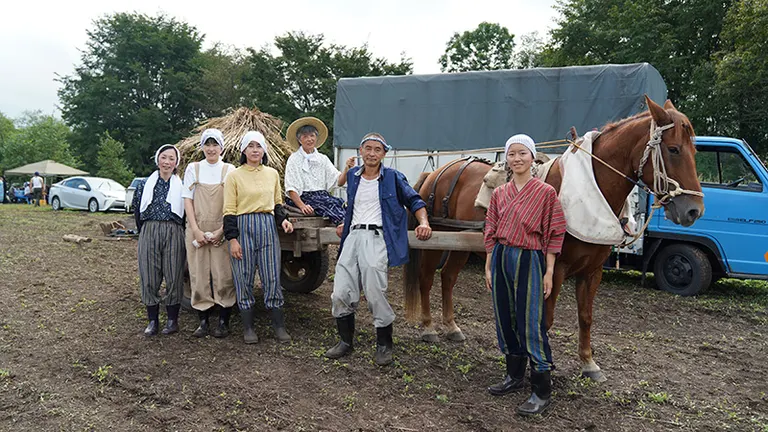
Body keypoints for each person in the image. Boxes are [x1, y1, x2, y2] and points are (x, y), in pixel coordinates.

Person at [324, 133, 432, 366]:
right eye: (368, 149)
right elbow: (354, 205)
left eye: (377, 150)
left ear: (384, 154)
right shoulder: (353, 176)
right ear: (361, 151)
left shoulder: (393, 177)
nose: (372, 153)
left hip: (376, 237)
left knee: (375, 290)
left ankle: (384, 344)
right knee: (340, 291)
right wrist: (348, 221)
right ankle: (345, 341)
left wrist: (423, 222)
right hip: (352, 237)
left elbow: (415, 201)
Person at [483, 134, 566, 416]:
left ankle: (541, 389)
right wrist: (488, 264)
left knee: (530, 320)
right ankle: (514, 376)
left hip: (530, 258)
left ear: (533, 157)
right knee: (504, 316)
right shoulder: (499, 193)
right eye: (511, 154)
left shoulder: (545, 193)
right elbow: (490, 230)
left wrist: (550, 271)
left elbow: (555, 232)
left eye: (522, 153)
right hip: (502, 255)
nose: (517, 159)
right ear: (506, 159)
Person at [223, 131, 294, 344]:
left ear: (264, 150)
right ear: (243, 150)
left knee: (271, 273)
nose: (255, 150)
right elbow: (229, 209)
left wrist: (283, 220)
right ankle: (248, 327)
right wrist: (233, 239)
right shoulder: (234, 175)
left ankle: (279, 326)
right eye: (250, 146)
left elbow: (277, 202)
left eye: (259, 146)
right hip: (243, 225)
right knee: (243, 275)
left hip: (266, 225)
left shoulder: (272, 174)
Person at [182, 129, 237, 338]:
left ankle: (223, 321)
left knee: (223, 274)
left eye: (215, 145)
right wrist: (195, 230)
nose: (211, 149)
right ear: (202, 147)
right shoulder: (193, 169)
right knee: (199, 274)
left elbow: (232, 203)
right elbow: (187, 199)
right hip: (197, 226)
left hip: (221, 228)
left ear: (222, 147)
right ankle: (203, 321)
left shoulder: (229, 170)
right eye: (207, 144)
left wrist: (221, 231)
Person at [133, 144, 186, 336]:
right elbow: (137, 211)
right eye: (164, 157)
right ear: (158, 160)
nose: (167, 162)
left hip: (174, 229)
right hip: (149, 229)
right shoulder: (144, 185)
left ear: (176, 163)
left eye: (171, 158)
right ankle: (153, 321)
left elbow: (187, 213)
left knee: (174, 275)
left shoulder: (182, 186)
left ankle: (172, 320)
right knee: (149, 276)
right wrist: (146, 231)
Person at [283, 117, 355, 225]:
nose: (309, 139)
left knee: (340, 203)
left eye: (312, 136)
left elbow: (339, 181)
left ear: (316, 138)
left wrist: (347, 169)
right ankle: (343, 225)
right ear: (299, 140)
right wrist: (302, 205)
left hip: (322, 196)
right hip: (303, 197)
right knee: (329, 204)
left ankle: (350, 224)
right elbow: (291, 188)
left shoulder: (322, 159)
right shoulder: (294, 159)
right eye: (305, 136)